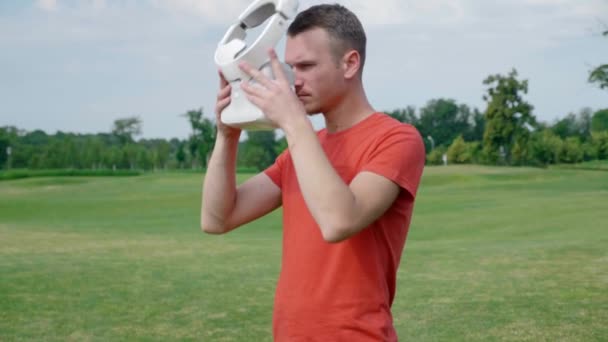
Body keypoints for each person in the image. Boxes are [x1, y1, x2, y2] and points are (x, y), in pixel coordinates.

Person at [201, 4, 425, 341]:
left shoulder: (396, 139)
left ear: (350, 63)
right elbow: (217, 218)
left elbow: (339, 220)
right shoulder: (302, 149)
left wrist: (293, 122)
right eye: (289, 67)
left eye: (305, 66)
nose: (293, 80)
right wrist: (228, 134)